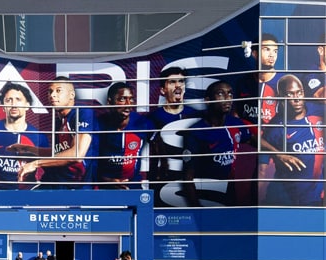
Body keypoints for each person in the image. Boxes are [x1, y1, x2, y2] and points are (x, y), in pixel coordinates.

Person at [182, 79, 256, 206]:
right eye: (221, 94)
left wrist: (278, 153)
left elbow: (254, 140)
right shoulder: (195, 132)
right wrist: (198, 210)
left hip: (231, 193)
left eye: (230, 94)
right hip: (207, 195)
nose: (227, 98)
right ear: (208, 100)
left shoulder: (236, 123)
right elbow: (187, 178)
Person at [135, 64, 198, 201]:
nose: (178, 85)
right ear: (163, 90)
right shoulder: (153, 119)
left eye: (181, 81)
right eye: (172, 82)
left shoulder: (195, 117)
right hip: (164, 183)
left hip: (192, 181)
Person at [261, 74, 325, 206]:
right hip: (285, 196)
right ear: (281, 98)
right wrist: (278, 154)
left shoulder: (318, 111)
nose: (297, 99)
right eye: (290, 95)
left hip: (314, 196)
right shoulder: (277, 125)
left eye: (299, 93)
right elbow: (258, 141)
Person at [0, 83, 45, 187]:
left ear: (27, 105)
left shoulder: (38, 136)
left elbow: (50, 165)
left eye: (18, 99)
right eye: (9, 100)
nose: (13, 104)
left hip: (27, 198)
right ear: (3, 106)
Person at [35, 78, 93, 185]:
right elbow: (58, 153)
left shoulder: (82, 112)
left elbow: (77, 154)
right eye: (50, 91)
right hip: (57, 180)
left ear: (71, 95)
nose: (52, 95)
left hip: (77, 186)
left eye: (58, 91)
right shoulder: (59, 120)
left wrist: (36, 163)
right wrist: (28, 149)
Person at [92, 81, 145, 188]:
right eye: (122, 99)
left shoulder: (143, 123)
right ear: (109, 102)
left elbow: (157, 145)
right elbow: (89, 161)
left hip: (133, 188)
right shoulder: (97, 125)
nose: (128, 104)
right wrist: (108, 180)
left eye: (131, 99)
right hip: (105, 188)